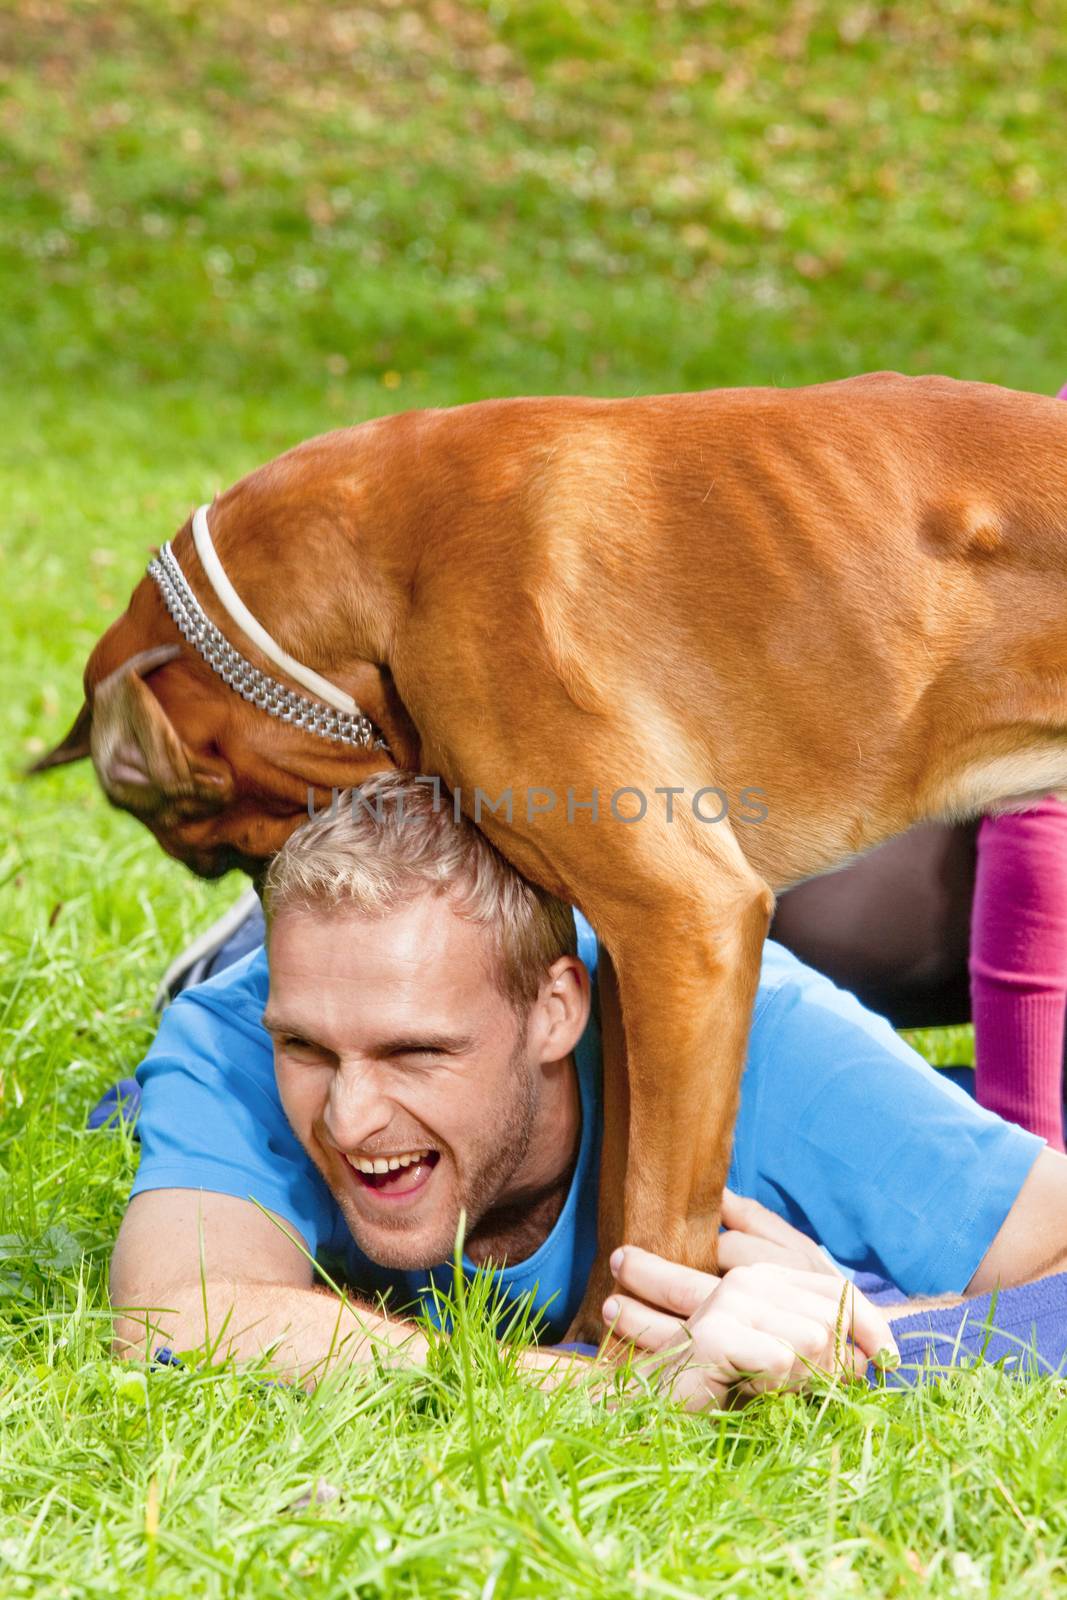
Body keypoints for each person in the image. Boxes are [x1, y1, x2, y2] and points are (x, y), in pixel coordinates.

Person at [109, 773, 1067, 1411]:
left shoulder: (759, 1039)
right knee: (131, 1106)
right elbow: (171, 1318)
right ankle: (250, 936)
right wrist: (613, 1390)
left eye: (416, 1051)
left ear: (554, 1012)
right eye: (308, 1048)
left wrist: (847, 1344)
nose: (350, 1115)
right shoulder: (235, 1034)